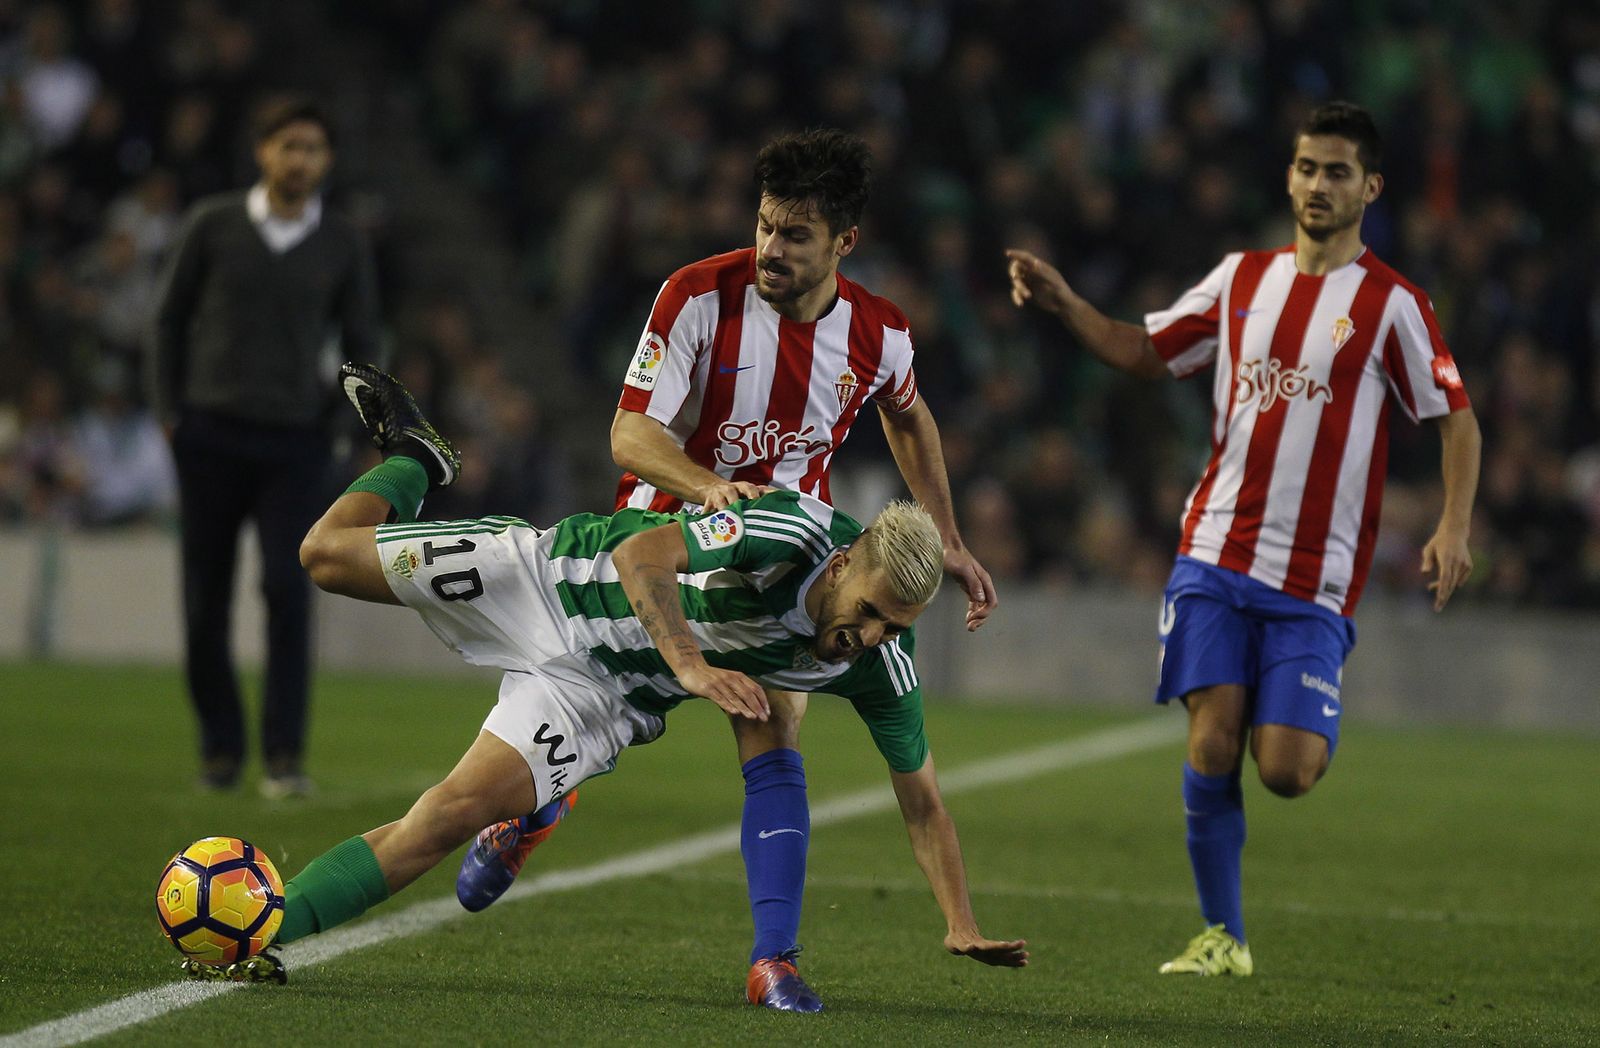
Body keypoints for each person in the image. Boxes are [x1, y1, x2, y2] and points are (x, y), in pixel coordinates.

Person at [185, 362, 1028, 996]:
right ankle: (416, 460)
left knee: (444, 817)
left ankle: (262, 930)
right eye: (872, 610)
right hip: (548, 577)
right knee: (321, 556)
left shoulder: (880, 664)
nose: (870, 636)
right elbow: (641, 552)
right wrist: (691, 664)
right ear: (845, 564)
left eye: (894, 627)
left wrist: (961, 923)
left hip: (598, 699)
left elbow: (923, 804)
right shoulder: (782, 529)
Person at [457, 128, 999, 1010]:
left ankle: (772, 961)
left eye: (794, 235)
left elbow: (908, 416)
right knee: (587, 708)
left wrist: (948, 534)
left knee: (775, 728)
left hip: (789, 554)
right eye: (765, 225)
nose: (770, 248)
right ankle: (536, 804)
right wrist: (711, 489)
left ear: (843, 243)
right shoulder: (697, 296)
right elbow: (630, 435)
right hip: (666, 531)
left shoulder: (880, 332)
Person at [1005, 101, 1481, 975]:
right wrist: (1069, 304)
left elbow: (1456, 419)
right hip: (1214, 555)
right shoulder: (1238, 281)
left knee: (1287, 771)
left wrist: (1453, 524)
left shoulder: (1392, 306)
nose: (1317, 185)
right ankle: (1223, 936)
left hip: (1314, 582)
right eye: (1306, 167)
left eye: (1337, 172)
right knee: (1212, 740)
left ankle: (1284, 700)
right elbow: (1143, 349)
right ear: (1290, 176)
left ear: (1369, 188)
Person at [148, 95, 381, 798]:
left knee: (288, 590)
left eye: (312, 148)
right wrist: (169, 413)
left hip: (296, 442)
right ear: (263, 152)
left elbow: (365, 346)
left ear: (327, 161)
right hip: (210, 432)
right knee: (203, 599)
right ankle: (221, 752)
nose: (299, 160)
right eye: (289, 146)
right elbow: (167, 321)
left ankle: (283, 756)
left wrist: (347, 431)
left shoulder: (343, 242)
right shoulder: (213, 225)